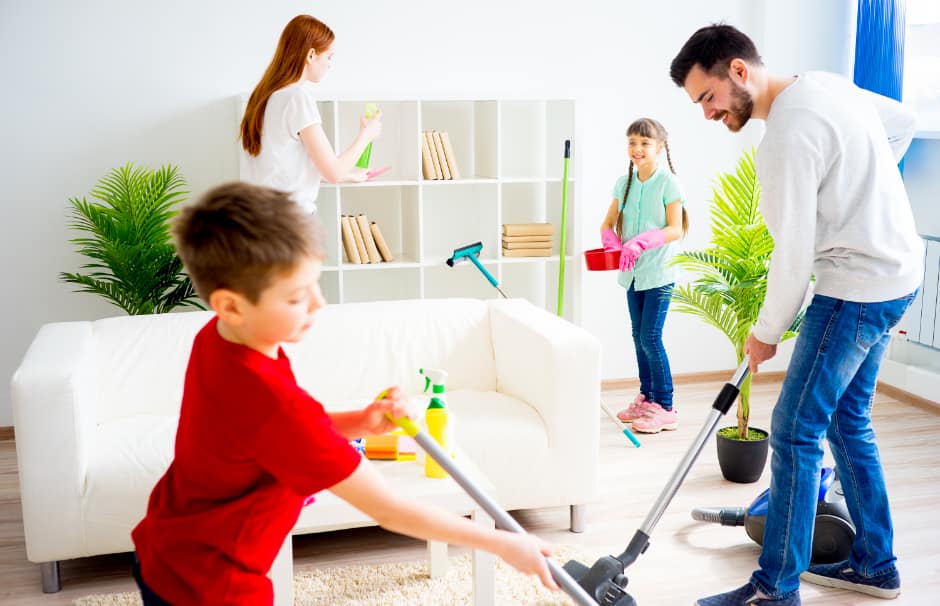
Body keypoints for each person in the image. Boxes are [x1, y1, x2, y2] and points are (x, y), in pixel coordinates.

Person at [130, 182, 558, 605]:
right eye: (297, 297)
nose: (318, 305)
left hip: (167, 546)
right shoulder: (271, 401)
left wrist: (361, 421)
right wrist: (502, 543)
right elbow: (389, 510)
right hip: (210, 585)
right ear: (232, 305)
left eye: (314, 284)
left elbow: (268, 432)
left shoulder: (222, 340)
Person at [670, 23, 923, 606]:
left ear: (739, 71)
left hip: (854, 289)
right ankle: (876, 565)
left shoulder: (784, 136)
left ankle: (774, 590)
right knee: (847, 422)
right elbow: (903, 123)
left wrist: (762, 336)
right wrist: (864, 195)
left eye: (707, 97)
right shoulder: (828, 86)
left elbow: (793, 256)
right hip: (899, 276)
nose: (706, 113)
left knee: (792, 429)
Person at [239, 15, 381, 213]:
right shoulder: (297, 98)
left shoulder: (262, 97)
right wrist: (367, 134)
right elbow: (334, 172)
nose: (329, 65)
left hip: (258, 223)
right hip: (289, 225)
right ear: (311, 55)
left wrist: (350, 176)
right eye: (329, 57)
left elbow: (283, 171)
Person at [600, 118, 688, 434]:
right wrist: (612, 243)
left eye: (645, 143)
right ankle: (647, 397)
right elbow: (607, 224)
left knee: (651, 336)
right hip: (633, 274)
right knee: (638, 336)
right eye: (632, 143)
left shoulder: (668, 183)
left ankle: (665, 406)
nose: (637, 149)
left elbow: (675, 228)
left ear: (660, 147)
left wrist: (641, 241)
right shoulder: (624, 183)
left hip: (659, 272)